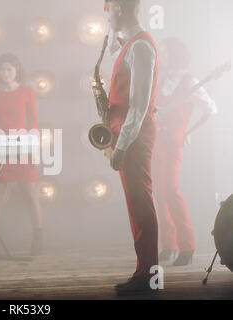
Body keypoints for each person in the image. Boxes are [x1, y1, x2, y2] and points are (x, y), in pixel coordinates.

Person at [104, 0, 159, 294]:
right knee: (137, 207)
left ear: (122, 10)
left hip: (134, 138)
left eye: (109, 9)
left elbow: (138, 107)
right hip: (129, 135)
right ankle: (145, 274)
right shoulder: (132, 46)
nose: (106, 14)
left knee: (142, 207)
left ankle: (149, 279)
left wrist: (122, 146)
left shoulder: (140, 48)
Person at [152, 37, 217, 266]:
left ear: (176, 54)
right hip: (156, 142)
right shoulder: (159, 81)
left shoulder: (190, 81)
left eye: (166, 52)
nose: (163, 56)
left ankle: (187, 246)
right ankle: (169, 245)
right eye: (162, 52)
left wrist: (189, 132)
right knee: (159, 194)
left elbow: (211, 109)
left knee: (171, 190)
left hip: (172, 143)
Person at [0, 53, 42, 257]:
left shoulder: (27, 92)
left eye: (9, 69)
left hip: (22, 146)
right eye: (1, 69)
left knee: (30, 193)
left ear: (16, 70)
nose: (5, 73)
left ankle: (37, 239)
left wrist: (34, 150)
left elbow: (33, 123)